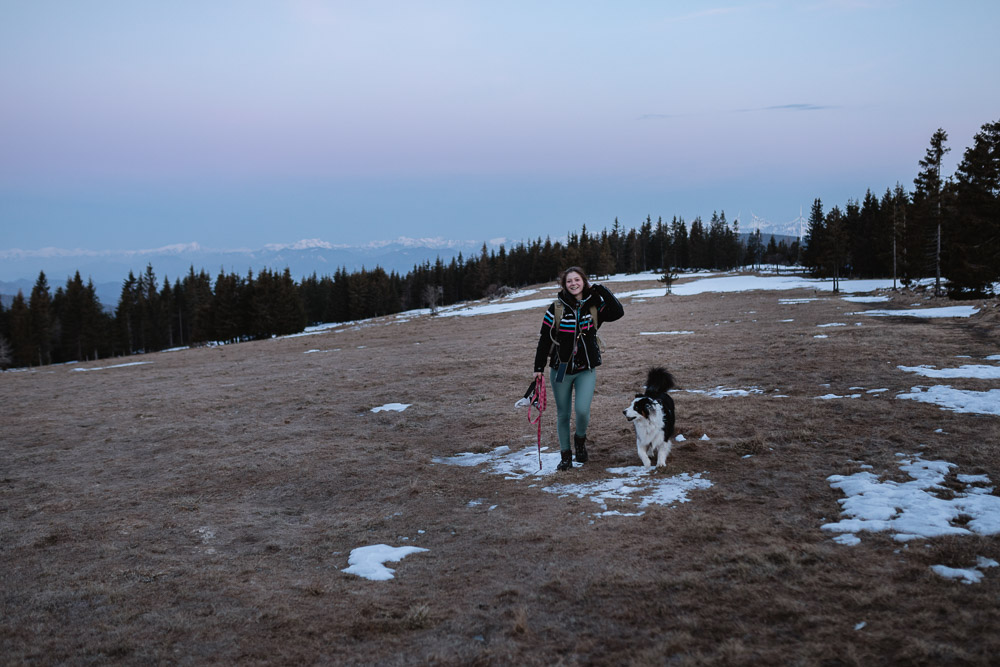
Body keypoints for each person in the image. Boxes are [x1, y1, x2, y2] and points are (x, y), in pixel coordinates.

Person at [533, 267, 624, 471]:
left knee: (582, 411)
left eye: (577, 280)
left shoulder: (594, 306)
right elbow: (544, 340)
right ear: (564, 285)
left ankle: (580, 440)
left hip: (586, 369)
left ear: (584, 281)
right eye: (569, 281)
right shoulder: (556, 308)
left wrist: (600, 289)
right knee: (563, 414)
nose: (573, 284)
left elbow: (618, 312)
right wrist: (538, 367)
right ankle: (566, 456)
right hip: (561, 370)